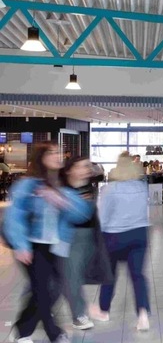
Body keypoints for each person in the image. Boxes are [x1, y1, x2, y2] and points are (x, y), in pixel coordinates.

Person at [4, 142, 92, 343]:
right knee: (44, 290)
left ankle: (23, 328)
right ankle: (52, 333)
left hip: (57, 245)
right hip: (33, 245)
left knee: (50, 291)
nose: (58, 155)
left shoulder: (62, 184)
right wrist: (21, 245)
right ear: (41, 158)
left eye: (59, 152)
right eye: (52, 153)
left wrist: (62, 201)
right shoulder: (28, 185)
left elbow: (81, 214)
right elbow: (15, 216)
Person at [96, 153, 151, 331]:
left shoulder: (109, 189)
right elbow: (145, 211)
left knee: (109, 275)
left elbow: (103, 218)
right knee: (137, 276)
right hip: (138, 234)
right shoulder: (142, 187)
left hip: (113, 236)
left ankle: (104, 311)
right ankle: (142, 314)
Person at [59, 156, 103, 331]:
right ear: (70, 170)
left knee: (64, 277)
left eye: (88, 166)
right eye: (82, 166)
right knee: (72, 276)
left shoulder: (89, 185)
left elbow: (99, 174)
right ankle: (78, 315)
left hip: (89, 236)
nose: (87, 169)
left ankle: (40, 308)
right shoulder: (62, 189)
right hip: (70, 237)